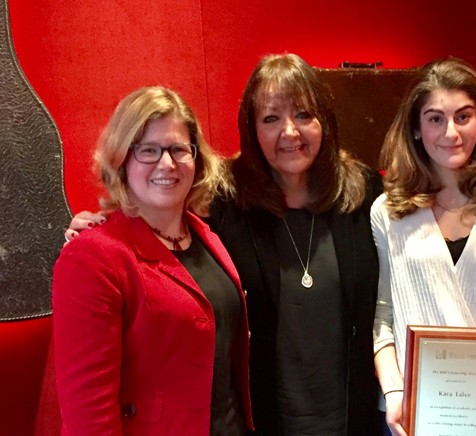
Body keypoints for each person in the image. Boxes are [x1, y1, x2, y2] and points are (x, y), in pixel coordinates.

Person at [65, 54, 382, 435]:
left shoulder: (364, 195)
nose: (290, 132)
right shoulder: (226, 202)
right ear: (251, 130)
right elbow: (150, 212)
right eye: (270, 118)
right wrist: (96, 224)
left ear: (325, 122)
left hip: (351, 417)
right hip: (263, 420)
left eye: (303, 114)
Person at [52, 86, 253, 435]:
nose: (167, 163)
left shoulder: (207, 237)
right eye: (148, 150)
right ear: (120, 160)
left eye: (178, 149)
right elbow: (88, 416)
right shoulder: (92, 257)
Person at [371, 57, 476, 436]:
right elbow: (384, 316)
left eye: (463, 116)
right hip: (412, 414)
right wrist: (395, 393)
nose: (451, 132)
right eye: (435, 118)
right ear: (416, 128)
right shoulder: (387, 212)